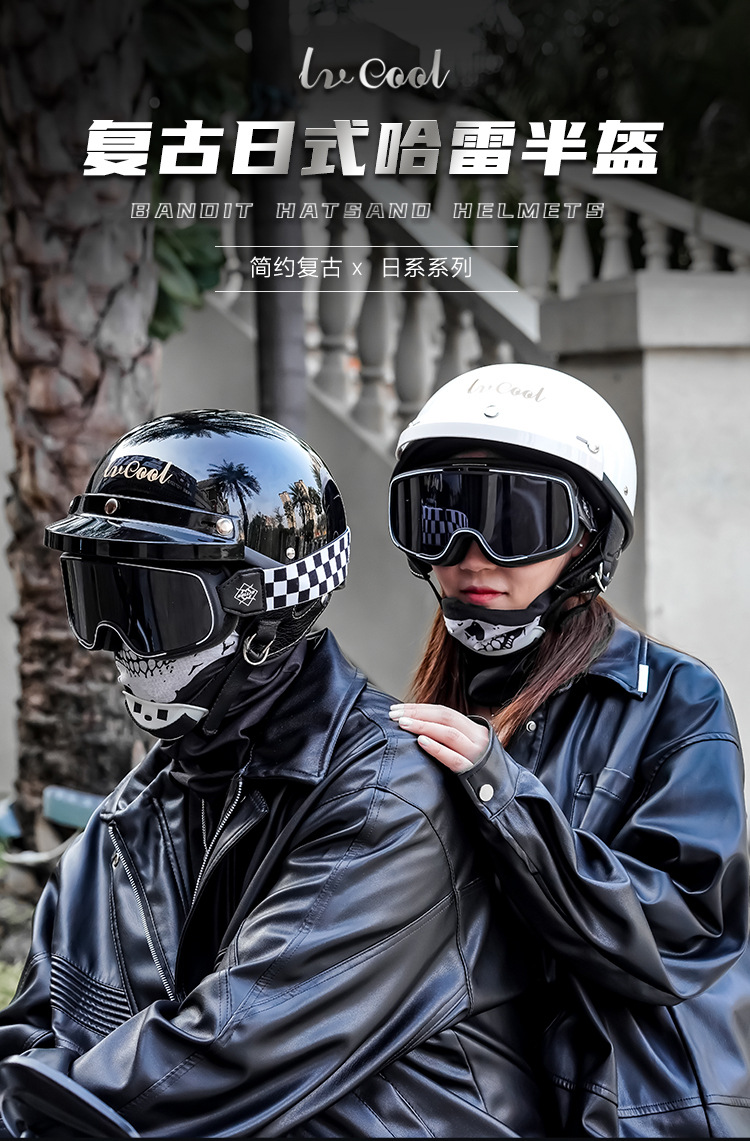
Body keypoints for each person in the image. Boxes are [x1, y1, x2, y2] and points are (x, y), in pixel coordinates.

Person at [0, 409, 547, 1139]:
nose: (117, 641)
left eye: (156, 606)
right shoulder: (133, 815)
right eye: (101, 598)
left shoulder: (388, 800)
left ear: (266, 611)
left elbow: (218, 1061)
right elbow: (33, 1031)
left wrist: (33, 1107)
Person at [386, 363, 750, 1138]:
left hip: (627, 1109)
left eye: (517, 520)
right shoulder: (434, 703)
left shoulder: (677, 698)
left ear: (586, 537)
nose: (471, 554)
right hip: (470, 1093)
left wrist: (502, 796)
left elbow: (682, 931)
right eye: (439, 515)